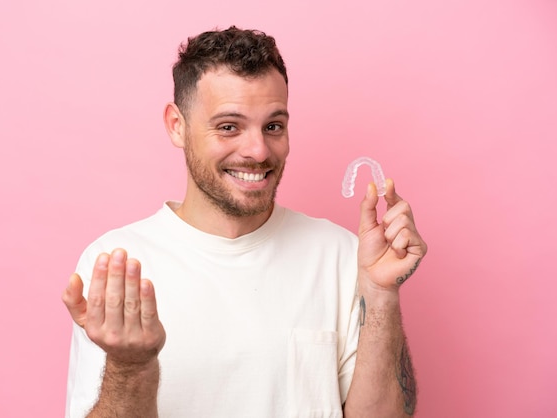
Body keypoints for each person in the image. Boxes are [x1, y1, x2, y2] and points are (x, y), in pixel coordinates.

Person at [62, 26, 427, 418]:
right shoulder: (116, 263)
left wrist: (380, 293)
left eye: (273, 126)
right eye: (229, 126)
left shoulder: (342, 255)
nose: (257, 151)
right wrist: (130, 366)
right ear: (177, 126)